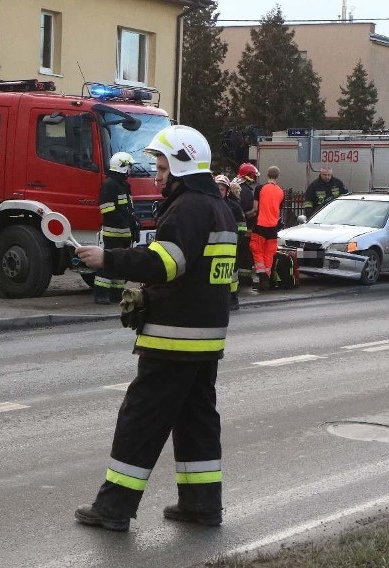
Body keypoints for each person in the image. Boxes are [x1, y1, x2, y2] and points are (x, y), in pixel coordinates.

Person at [73, 125, 237, 532]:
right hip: (205, 338)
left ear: (181, 163)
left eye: (162, 166)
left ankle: (113, 508)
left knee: (141, 419)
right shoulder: (219, 208)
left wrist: (107, 259)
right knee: (197, 420)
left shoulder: (188, 209)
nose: (158, 174)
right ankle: (202, 505)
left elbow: (166, 263)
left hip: (173, 337)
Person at [95, 151, 140, 305]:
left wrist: (134, 225)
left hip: (125, 233)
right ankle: (101, 294)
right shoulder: (110, 184)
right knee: (108, 262)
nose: (130, 170)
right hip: (113, 233)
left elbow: (128, 209)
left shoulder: (124, 185)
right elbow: (106, 209)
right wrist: (123, 222)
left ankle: (116, 294)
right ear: (121, 167)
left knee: (121, 264)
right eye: (128, 166)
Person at [251, 165, 284, 291]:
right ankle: (267, 278)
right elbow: (278, 210)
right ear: (278, 176)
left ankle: (262, 275)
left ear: (267, 174)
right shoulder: (281, 191)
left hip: (260, 225)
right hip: (273, 227)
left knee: (257, 249)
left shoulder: (260, 188)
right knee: (269, 252)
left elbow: (255, 208)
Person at [215, 174, 246, 310]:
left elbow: (242, 227)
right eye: (217, 188)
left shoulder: (234, 206)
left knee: (232, 274)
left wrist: (235, 242)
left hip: (231, 247)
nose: (219, 191)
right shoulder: (210, 205)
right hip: (214, 247)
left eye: (221, 189)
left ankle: (233, 298)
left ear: (227, 191)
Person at [234, 162, 259, 282]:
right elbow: (248, 211)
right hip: (246, 229)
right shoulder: (247, 191)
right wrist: (254, 212)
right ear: (250, 176)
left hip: (238, 228)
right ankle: (245, 279)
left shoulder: (237, 186)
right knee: (245, 254)